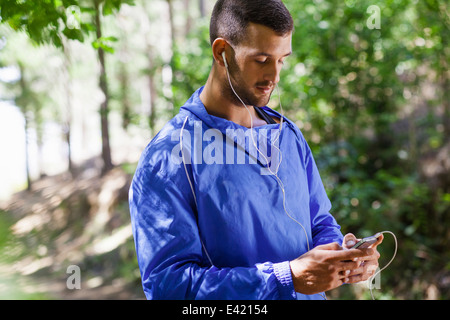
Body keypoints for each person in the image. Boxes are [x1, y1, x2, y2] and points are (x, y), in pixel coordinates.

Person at [129, 0, 383, 300]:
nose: (274, 76)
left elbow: (319, 223)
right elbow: (168, 287)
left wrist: (342, 255)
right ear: (222, 52)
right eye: (261, 59)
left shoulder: (287, 135)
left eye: (281, 59)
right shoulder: (169, 157)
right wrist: (283, 278)